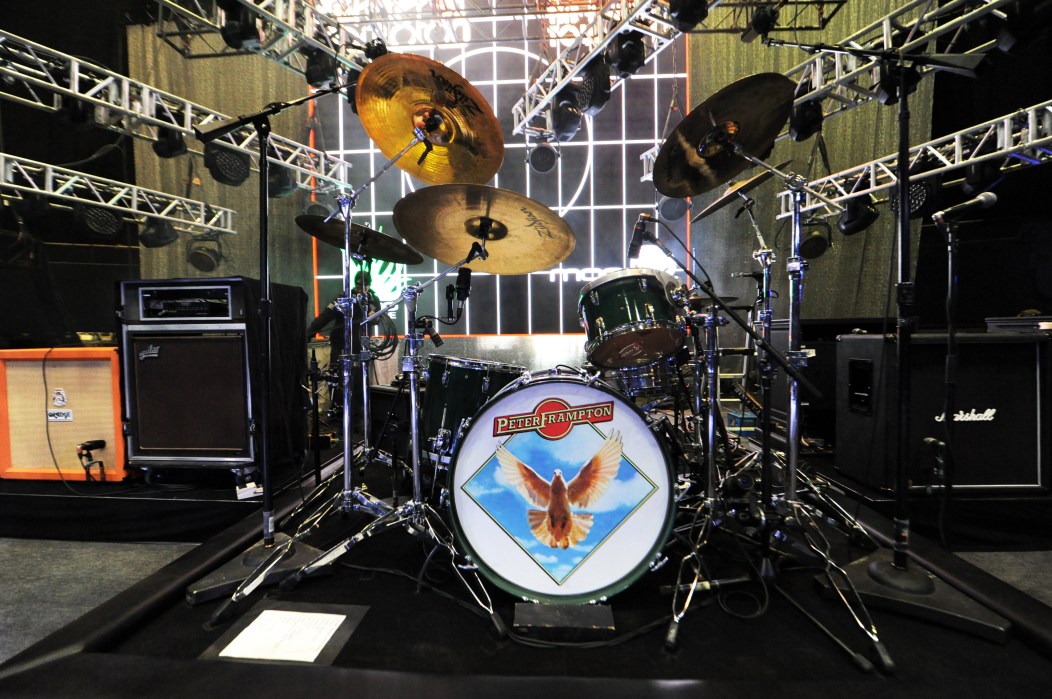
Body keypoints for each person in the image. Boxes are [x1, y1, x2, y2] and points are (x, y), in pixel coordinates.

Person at [307, 271, 382, 359]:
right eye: (358, 288)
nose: (360, 291)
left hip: (361, 344)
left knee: (362, 366)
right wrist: (309, 333)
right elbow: (325, 316)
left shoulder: (374, 300)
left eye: (364, 288)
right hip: (341, 343)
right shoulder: (344, 298)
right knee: (338, 365)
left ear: (369, 286)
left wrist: (374, 317)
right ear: (355, 285)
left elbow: (378, 320)